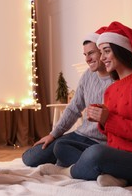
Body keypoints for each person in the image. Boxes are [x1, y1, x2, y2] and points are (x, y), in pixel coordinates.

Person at [41, 21, 132, 187]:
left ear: (121, 51)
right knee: (74, 149)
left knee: (96, 153)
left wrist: (108, 119)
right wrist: (101, 119)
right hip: (122, 156)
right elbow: (114, 134)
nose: (102, 57)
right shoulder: (112, 89)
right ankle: (118, 177)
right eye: (101, 52)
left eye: (107, 51)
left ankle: (67, 171)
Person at [22, 26, 113, 168]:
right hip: (81, 136)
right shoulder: (88, 75)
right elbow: (73, 109)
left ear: (102, 52)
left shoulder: (118, 80)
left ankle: (79, 162)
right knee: (30, 157)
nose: (87, 59)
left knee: (84, 156)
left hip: (102, 143)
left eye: (91, 53)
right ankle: (75, 161)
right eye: (85, 55)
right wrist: (53, 135)